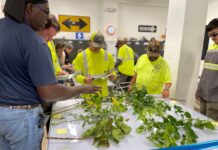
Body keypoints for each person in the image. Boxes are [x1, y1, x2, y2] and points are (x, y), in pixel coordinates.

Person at [0, 0, 101, 150]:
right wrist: (81, 89)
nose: (47, 18)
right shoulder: (34, 42)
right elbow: (49, 93)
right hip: (22, 120)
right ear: (29, 8)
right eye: (46, 11)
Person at [73, 31, 117, 97]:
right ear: (90, 42)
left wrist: (113, 76)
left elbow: (112, 72)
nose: (97, 48)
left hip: (103, 93)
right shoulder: (81, 56)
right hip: (88, 94)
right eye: (95, 46)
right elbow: (77, 75)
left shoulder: (108, 56)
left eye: (99, 46)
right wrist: (84, 79)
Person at [196, 18, 218, 121]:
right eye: (210, 36)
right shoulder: (212, 48)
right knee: (202, 123)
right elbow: (206, 72)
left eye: (214, 34)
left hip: (215, 99)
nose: (212, 38)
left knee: (211, 128)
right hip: (204, 95)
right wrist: (199, 90)